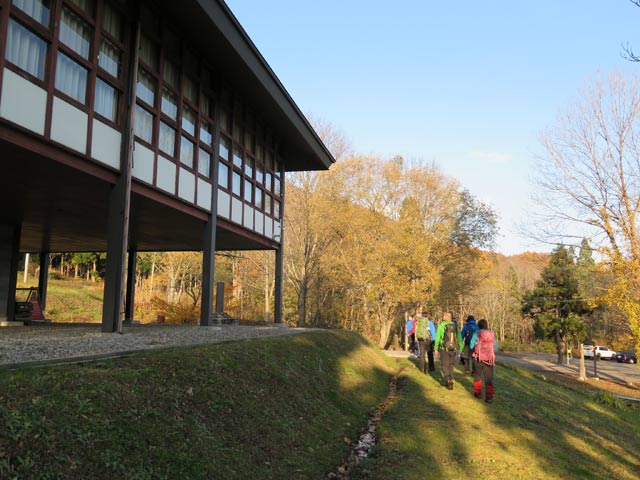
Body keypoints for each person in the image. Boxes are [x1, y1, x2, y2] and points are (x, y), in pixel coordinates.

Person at [470, 319, 499, 403]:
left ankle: (478, 393)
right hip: (489, 359)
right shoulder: (490, 334)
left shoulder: (477, 333)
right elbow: (496, 346)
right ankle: (489, 397)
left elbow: (472, 345)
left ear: (478, 325)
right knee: (488, 379)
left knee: (477, 376)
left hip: (478, 358)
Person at [434, 311, 463, 390]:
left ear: (447, 317)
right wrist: (461, 348)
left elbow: (437, 338)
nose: (443, 316)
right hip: (453, 349)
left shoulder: (441, 326)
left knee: (444, 365)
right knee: (451, 364)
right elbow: (459, 338)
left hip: (444, 349)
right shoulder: (456, 326)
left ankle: (447, 379)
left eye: (444, 315)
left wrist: (436, 348)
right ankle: (452, 379)